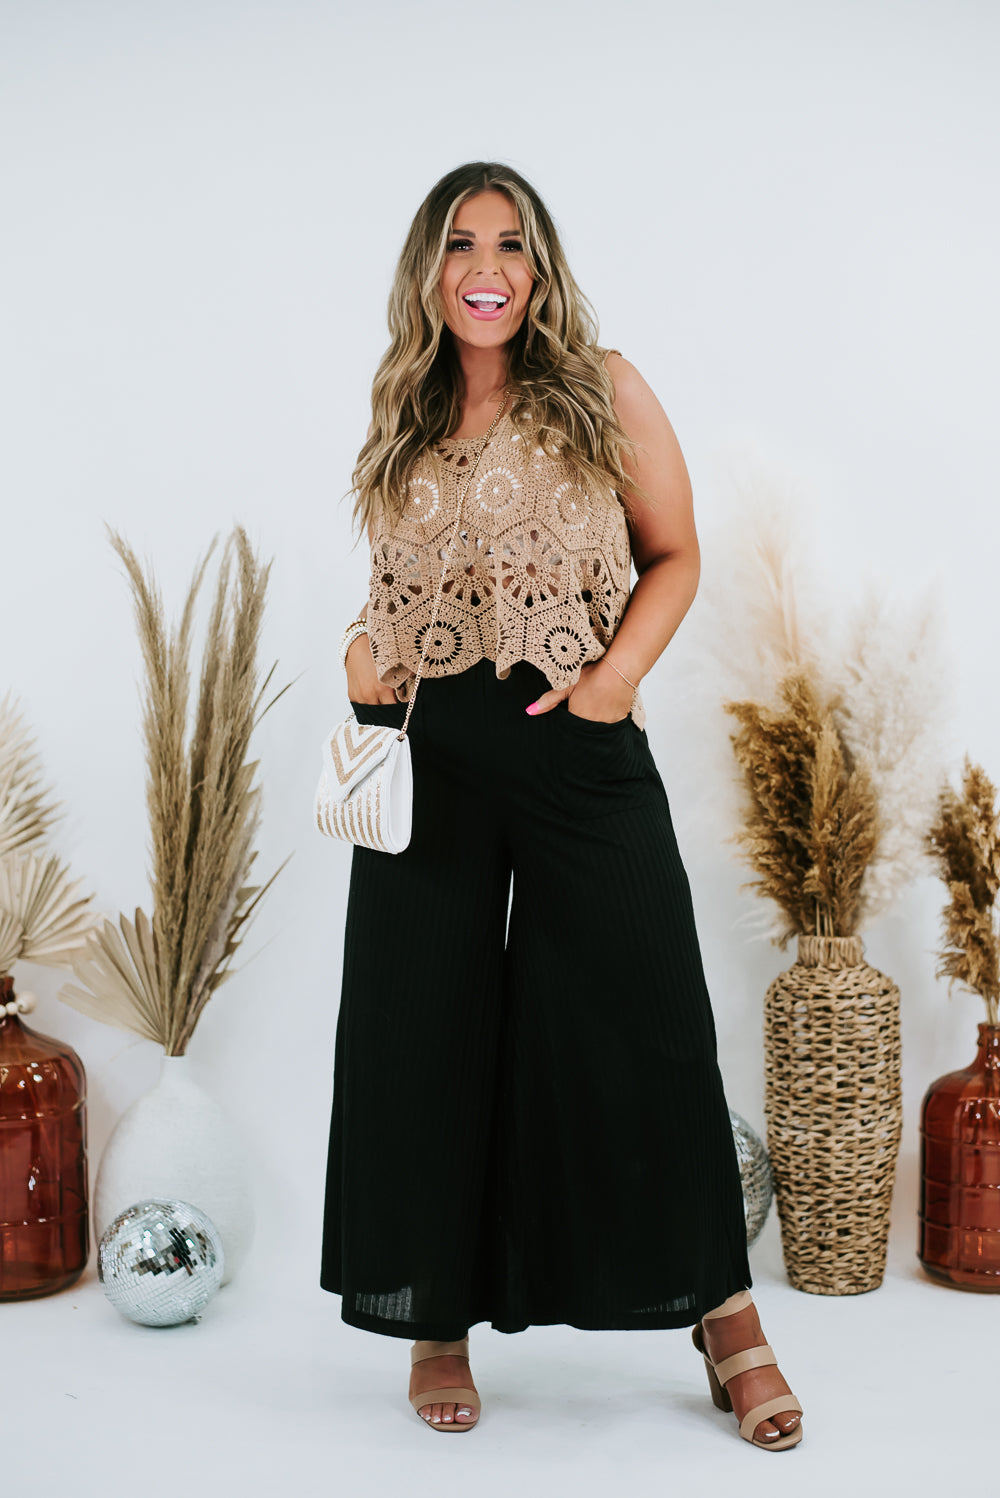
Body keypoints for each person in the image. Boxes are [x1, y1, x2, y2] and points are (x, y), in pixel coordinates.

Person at [320, 162, 803, 1451]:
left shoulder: (600, 384)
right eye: (461, 243)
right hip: (426, 749)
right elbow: (403, 585)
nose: (487, 267)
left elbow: (674, 553)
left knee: (651, 1020)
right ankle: (435, 1314)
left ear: (539, 269)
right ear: (429, 269)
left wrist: (614, 683)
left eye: (511, 244)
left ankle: (725, 1316)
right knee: (423, 1030)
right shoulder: (405, 410)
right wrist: (363, 660)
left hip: (575, 742)